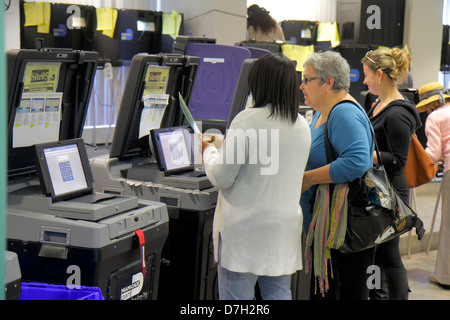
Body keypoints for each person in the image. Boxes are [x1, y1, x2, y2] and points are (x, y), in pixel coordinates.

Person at [201, 53, 311, 300]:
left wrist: (207, 150)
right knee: (279, 294)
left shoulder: (247, 120)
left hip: (245, 234)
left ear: (260, 84)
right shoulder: (301, 124)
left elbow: (221, 177)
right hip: (282, 230)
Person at [300, 51, 375, 300]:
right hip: (330, 226)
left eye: (307, 79)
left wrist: (309, 178)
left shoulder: (343, 112)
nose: (302, 86)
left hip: (343, 227)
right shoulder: (323, 113)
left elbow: (357, 162)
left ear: (328, 82)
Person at [362, 46, 421, 300]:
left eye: (366, 74)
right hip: (378, 189)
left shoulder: (397, 113)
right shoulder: (377, 102)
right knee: (382, 252)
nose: (363, 80)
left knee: (389, 253)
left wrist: (365, 155)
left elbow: (398, 161)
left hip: (391, 193)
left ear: (380, 75)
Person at [417, 82, 450, 289]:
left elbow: (434, 154)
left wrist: (416, 157)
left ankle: (445, 276)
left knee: (448, 226)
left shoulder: (435, 117)